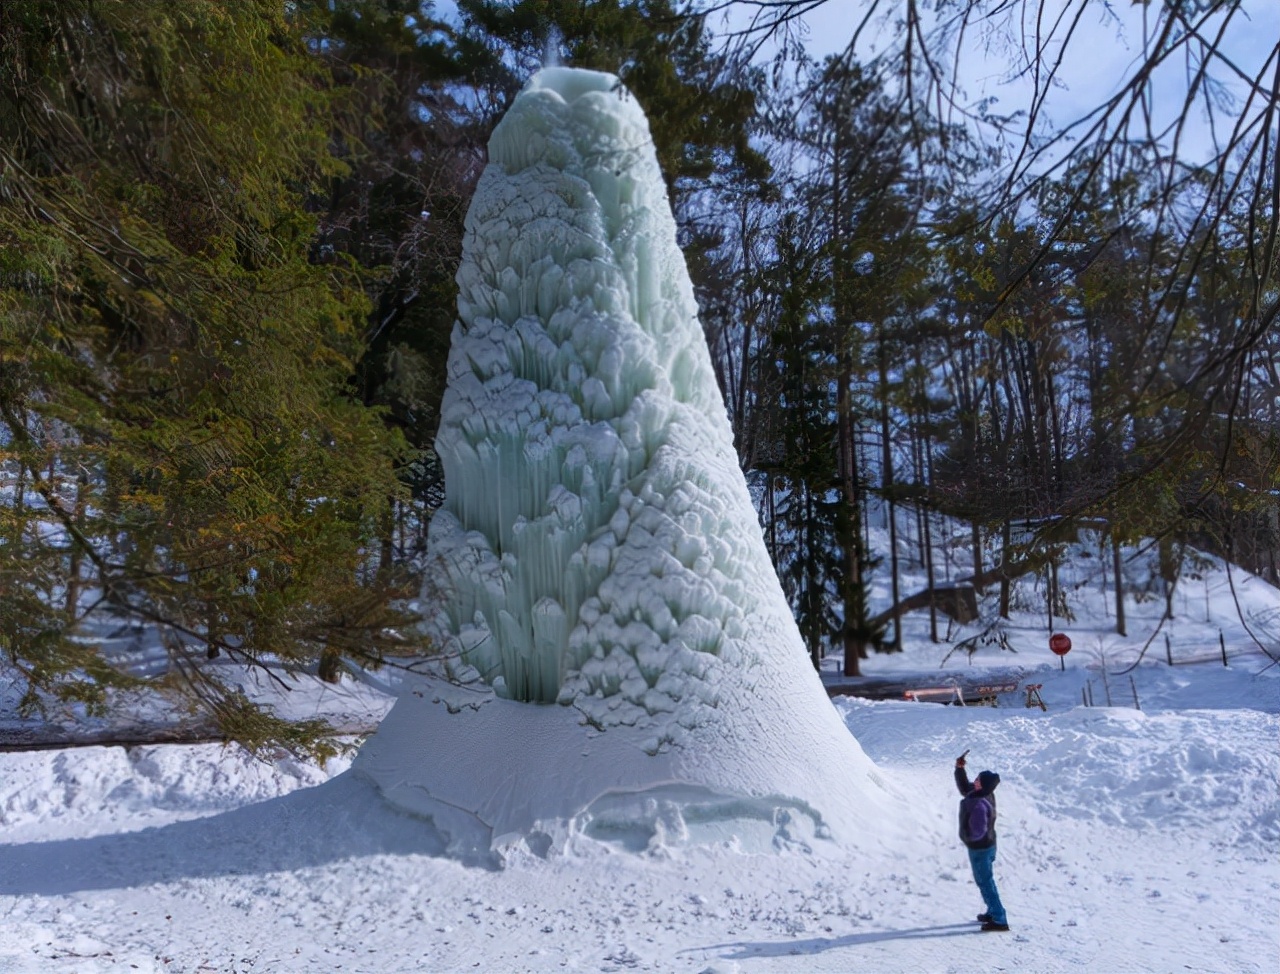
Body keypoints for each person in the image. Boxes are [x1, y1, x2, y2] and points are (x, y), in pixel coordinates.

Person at [955, 752, 1009, 932]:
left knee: (985, 881)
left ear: (982, 784)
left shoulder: (978, 803)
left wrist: (967, 839)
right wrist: (960, 769)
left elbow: (977, 832)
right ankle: (993, 911)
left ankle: (1000, 920)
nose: (975, 780)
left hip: (980, 849)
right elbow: (965, 788)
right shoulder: (984, 792)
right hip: (989, 844)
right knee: (986, 881)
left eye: (977, 779)